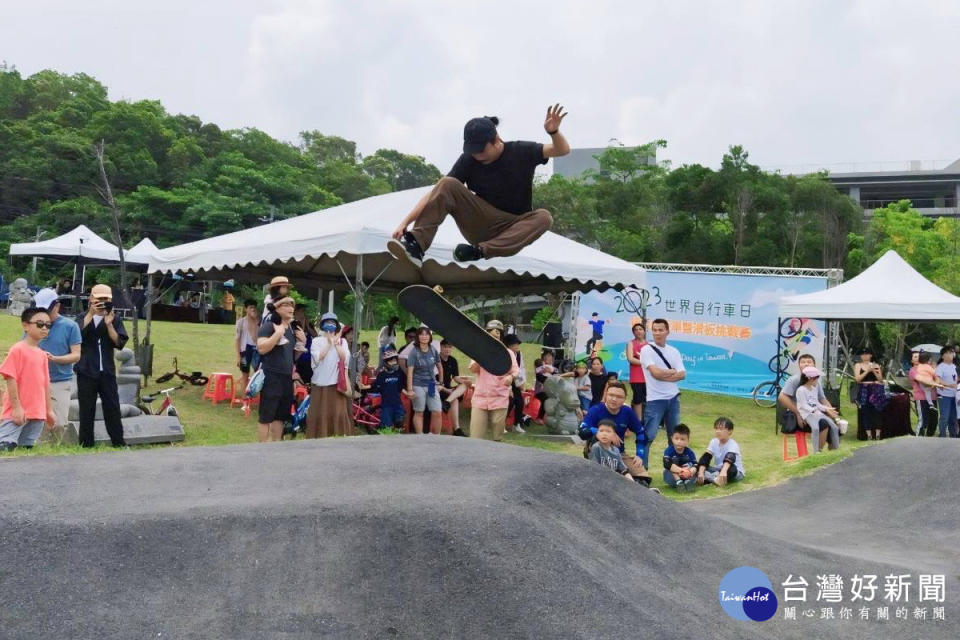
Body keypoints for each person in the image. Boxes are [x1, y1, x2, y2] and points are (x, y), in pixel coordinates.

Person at [389, 106, 570, 266]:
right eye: (473, 152)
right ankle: (416, 246)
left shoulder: (521, 151)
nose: (477, 156)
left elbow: (562, 150)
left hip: (513, 227)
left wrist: (553, 133)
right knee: (447, 183)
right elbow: (436, 194)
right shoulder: (468, 160)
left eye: (481, 151)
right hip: (481, 222)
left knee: (544, 217)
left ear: (496, 139)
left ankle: (478, 252)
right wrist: (406, 222)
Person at [76, 284, 129, 448]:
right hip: (86, 369)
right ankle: (86, 443)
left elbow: (119, 342)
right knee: (86, 408)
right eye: (99, 299)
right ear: (91, 299)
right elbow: (77, 335)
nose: (102, 303)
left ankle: (118, 442)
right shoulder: (82, 317)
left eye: (106, 299)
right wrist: (91, 315)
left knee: (112, 406)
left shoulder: (115, 318)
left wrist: (109, 324)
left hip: (106, 370)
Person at [0, 307, 57, 451]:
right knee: (7, 446)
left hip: (37, 412)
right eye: (39, 324)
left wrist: (48, 410)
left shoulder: (42, 354)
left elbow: (45, 384)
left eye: (48, 325)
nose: (44, 328)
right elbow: (10, 378)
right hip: (18, 411)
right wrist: (16, 407)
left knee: (27, 448)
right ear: (25, 325)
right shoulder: (18, 349)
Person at [577, 380, 651, 485]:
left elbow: (641, 433)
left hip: (618, 453)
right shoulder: (596, 410)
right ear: (606, 395)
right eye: (611, 395)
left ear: (624, 398)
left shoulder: (627, 412)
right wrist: (599, 432)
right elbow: (581, 432)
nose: (614, 399)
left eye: (619, 396)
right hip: (597, 451)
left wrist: (639, 454)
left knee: (643, 478)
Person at [34, 288, 81, 440]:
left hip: (59, 380)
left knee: (59, 423)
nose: (44, 313)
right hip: (35, 380)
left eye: (47, 310)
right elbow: (25, 347)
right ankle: (35, 451)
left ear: (57, 306)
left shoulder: (70, 326)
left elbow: (76, 355)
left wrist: (55, 358)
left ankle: (52, 452)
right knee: (36, 421)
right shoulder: (34, 323)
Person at [256, 296, 304, 442]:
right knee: (266, 416)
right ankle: (261, 449)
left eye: (292, 305)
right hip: (272, 376)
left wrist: (302, 343)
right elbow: (261, 348)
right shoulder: (269, 326)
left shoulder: (290, 328)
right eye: (286, 305)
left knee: (281, 416)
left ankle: (276, 447)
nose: (291, 308)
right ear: (277, 308)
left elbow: (292, 357)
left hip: (286, 377)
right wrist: (277, 335)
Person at [639, 319, 685, 468]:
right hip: (655, 400)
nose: (657, 333)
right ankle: (642, 470)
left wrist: (666, 373)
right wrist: (672, 372)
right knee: (648, 436)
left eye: (660, 330)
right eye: (655, 330)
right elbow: (655, 373)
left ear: (667, 332)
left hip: (673, 399)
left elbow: (682, 374)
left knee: (675, 437)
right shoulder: (647, 350)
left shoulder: (674, 351)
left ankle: (674, 469)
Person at [469, 319, 519, 441]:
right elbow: (472, 369)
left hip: (499, 397)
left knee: (497, 436)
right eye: (491, 333)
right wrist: (482, 356)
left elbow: (516, 370)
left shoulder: (508, 353)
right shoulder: (479, 350)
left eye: (498, 333)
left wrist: (510, 377)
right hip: (480, 398)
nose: (495, 335)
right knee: (475, 436)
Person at [307, 311, 353, 438]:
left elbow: (344, 358)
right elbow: (319, 357)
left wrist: (336, 342)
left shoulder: (342, 341)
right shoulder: (316, 341)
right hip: (320, 384)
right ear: (322, 325)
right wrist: (328, 343)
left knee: (338, 413)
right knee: (319, 414)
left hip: (336, 385)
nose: (330, 325)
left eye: (333, 323)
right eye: (327, 322)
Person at [777, 353, 838, 433]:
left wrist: (831, 412)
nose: (806, 364)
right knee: (823, 426)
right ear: (799, 366)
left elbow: (822, 399)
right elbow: (782, 397)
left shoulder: (816, 381)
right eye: (803, 362)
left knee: (829, 425)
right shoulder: (794, 379)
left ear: (814, 365)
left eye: (809, 362)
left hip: (812, 411)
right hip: (797, 412)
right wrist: (798, 413)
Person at [407, 326, 443, 435]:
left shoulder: (433, 350)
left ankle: (437, 436)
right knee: (419, 412)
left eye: (426, 334)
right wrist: (410, 389)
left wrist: (440, 383)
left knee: (437, 411)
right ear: (418, 337)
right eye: (421, 334)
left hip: (431, 384)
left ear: (430, 336)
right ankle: (420, 436)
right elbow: (410, 372)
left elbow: (440, 366)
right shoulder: (414, 352)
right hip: (417, 384)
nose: (424, 336)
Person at [795, 366, 840, 453]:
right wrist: (813, 409)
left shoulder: (814, 389)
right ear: (810, 379)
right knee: (815, 428)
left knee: (834, 427)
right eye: (816, 379)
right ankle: (816, 452)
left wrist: (827, 408)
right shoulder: (801, 390)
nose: (817, 381)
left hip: (816, 413)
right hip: (807, 414)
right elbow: (803, 405)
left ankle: (837, 449)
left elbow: (817, 403)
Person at [696, 417, 745, 487]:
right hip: (718, 470)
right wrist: (700, 473)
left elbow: (730, 458)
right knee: (699, 465)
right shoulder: (713, 441)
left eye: (721, 429)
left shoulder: (733, 444)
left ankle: (710, 478)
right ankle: (713, 479)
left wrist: (723, 472)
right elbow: (706, 457)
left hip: (733, 472)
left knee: (731, 468)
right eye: (716, 428)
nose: (718, 431)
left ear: (730, 431)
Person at [588, 419, 638, 484]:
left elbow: (623, 469)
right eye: (601, 431)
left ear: (614, 436)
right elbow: (593, 468)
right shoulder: (596, 447)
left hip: (613, 481)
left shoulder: (616, 450)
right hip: (599, 480)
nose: (604, 434)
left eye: (608, 431)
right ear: (597, 434)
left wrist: (632, 483)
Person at [853, 347, 886, 440]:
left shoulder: (876, 365)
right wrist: (867, 370)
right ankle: (869, 435)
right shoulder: (858, 365)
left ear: (871, 355)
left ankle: (878, 434)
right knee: (865, 411)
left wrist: (874, 370)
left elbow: (880, 379)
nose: (865, 356)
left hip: (875, 389)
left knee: (877, 411)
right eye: (863, 354)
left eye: (867, 354)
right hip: (864, 389)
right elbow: (857, 379)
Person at [438, 339, 470, 435]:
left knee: (463, 386)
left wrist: (465, 382)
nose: (447, 349)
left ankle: (447, 403)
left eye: (449, 347)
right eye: (445, 347)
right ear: (440, 347)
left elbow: (456, 378)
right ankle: (456, 429)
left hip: (449, 391)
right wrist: (446, 389)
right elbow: (435, 382)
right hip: (438, 389)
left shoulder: (453, 360)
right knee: (455, 399)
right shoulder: (436, 360)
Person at [662, 423, 698, 492]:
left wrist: (689, 472)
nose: (679, 441)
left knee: (693, 467)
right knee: (670, 465)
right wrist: (681, 470)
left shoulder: (690, 452)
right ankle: (679, 482)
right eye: (676, 438)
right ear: (672, 438)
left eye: (682, 439)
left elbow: (696, 465)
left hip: (687, 475)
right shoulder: (669, 451)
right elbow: (666, 463)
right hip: (672, 476)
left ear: (687, 440)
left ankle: (688, 482)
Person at [624, 320, 647, 423]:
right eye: (636, 330)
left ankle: (646, 420)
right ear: (633, 332)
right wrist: (645, 362)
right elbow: (630, 358)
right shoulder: (631, 343)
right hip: (636, 376)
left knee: (647, 399)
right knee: (638, 399)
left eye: (640, 329)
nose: (638, 331)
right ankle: (638, 421)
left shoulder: (649, 344)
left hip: (648, 376)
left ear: (644, 331)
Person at [504, 334, 527, 432]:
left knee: (520, 402)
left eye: (518, 344)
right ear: (508, 345)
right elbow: (503, 372)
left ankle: (516, 424)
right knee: (510, 402)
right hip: (504, 381)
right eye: (514, 344)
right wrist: (509, 390)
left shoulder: (519, 355)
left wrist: (521, 384)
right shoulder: (504, 354)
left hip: (515, 380)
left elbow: (521, 369)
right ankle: (501, 424)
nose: (517, 346)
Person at [235, 299, 260, 393]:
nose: (253, 309)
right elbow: (237, 339)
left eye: (254, 307)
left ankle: (258, 396)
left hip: (257, 350)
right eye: (250, 307)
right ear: (246, 309)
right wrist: (238, 356)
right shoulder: (240, 322)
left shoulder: (259, 321)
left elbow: (256, 335)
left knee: (259, 373)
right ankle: (244, 399)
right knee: (245, 374)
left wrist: (256, 320)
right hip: (245, 351)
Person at [934, 346, 959, 438]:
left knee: (953, 418)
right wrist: (949, 385)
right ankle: (942, 436)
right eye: (947, 353)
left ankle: (953, 436)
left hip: (955, 396)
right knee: (945, 417)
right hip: (944, 396)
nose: (950, 355)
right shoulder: (940, 367)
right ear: (942, 356)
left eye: (951, 353)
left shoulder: (955, 367)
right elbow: (938, 381)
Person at [292, 303, 318, 384]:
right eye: (301, 311)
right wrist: (301, 324)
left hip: (308, 357)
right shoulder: (293, 324)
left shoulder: (308, 323)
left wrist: (307, 325)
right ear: (295, 312)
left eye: (303, 311)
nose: (303, 313)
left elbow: (315, 335)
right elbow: (300, 336)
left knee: (308, 379)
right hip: (298, 356)